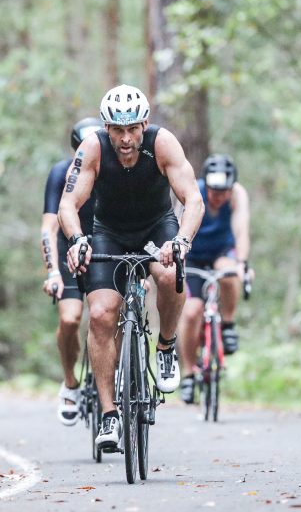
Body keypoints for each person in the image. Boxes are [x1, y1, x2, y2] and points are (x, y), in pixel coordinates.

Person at [59, 84, 204, 450]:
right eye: (118, 130)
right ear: (106, 128)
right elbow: (68, 205)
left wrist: (181, 242)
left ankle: (166, 346)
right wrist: (78, 240)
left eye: (133, 129)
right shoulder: (92, 147)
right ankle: (110, 416)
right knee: (103, 314)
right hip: (109, 233)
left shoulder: (162, 143)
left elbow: (193, 200)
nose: (126, 140)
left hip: (157, 228)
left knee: (171, 276)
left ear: (145, 123)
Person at [40, 118, 101, 425]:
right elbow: (49, 228)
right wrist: (52, 271)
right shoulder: (61, 173)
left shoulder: (114, 167)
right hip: (69, 247)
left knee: (110, 316)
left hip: (106, 244)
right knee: (70, 318)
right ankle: (70, 383)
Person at [177, 154, 251, 404]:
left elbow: (241, 229)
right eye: (213, 191)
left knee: (230, 275)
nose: (218, 197)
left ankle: (227, 325)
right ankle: (188, 374)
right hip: (193, 255)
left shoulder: (238, 195)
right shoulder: (192, 191)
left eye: (224, 192)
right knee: (191, 311)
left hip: (221, 252)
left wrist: (242, 263)